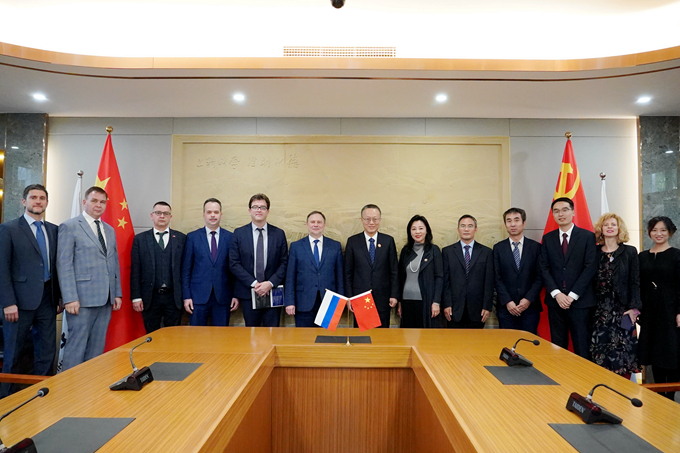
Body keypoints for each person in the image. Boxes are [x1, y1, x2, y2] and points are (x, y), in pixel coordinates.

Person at [0, 184, 61, 396]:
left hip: (47, 300)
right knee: (14, 353)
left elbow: (57, 266)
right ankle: (7, 399)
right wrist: (8, 303)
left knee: (47, 352)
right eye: (33, 197)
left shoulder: (54, 230)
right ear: (24, 201)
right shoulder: (9, 229)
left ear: (47, 202)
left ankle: (41, 397)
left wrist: (59, 297)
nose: (38, 201)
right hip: (18, 303)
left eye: (42, 198)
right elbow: (2, 269)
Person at [57, 186, 122, 371]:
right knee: (76, 348)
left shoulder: (109, 230)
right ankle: (68, 385)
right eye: (94, 201)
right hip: (81, 300)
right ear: (84, 202)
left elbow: (113, 262)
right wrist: (70, 298)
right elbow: (64, 264)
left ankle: (90, 385)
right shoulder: (69, 226)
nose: (98, 205)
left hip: (106, 299)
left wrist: (117, 293)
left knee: (97, 349)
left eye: (102, 202)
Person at [539, 197, 597, 358]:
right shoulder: (548, 238)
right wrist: (557, 293)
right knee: (558, 347)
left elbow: (590, 268)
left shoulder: (587, 236)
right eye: (556, 211)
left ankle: (583, 375)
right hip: (555, 302)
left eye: (565, 210)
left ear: (573, 212)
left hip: (580, 302)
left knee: (582, 346)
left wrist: (572, 296)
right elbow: (544, 268)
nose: (561, 214)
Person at [589, 213, 641, 378]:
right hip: (599, 311)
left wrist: (634, 309)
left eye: (613, 224)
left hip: (623, 310)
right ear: (601, 229)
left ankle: (623, 391)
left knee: (623, 355)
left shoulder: (629, 252)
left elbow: (635, 281)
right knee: (600, 355)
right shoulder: (594, 252)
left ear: (619, 228)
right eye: (606, 225)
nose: (610, 227)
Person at [229, 193, 288, 327]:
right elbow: (234, 263)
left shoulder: (279, 234)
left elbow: (284, 263)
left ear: (268, 211)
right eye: (255, 207)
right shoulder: (239, 233)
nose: (259, 210)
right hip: (249, 292)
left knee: (273, 332)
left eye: (262, 207)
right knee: (252, 332)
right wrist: (255, 284)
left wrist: (270, 283)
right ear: (249, 210)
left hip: (273, 291)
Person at [638, 216, 680, 400]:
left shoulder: (676, 255)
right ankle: (659, 396)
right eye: (654, 230)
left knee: (670, 353)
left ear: (670, 232)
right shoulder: (642, 256)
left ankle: (671, 396)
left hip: (670, 311)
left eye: (663, 230)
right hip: (649, 312)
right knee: (654, 353)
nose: (658, 234)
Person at [130, 201, 187, 333]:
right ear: (152, 216)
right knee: (151, 335)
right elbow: (135, 270)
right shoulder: (140, 239)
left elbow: (186, 269)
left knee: (173, 335)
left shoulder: (181, 238)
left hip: (174, 297)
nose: (162, 216)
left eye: (166, 213)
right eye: (158, 213)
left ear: (170, 217)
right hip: (150, 297)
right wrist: (136, 297)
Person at [182, 198, 238, 326]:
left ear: (221, 214)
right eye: (209, 212)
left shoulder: (230, 237)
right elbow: (186, 270)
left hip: (223, 297)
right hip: (197, 298)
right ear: (204, 214)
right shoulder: (192, 237)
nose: (213, 215)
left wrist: (235, 295)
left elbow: (234, 269)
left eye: (216, 212)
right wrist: (186, 296)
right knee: (197, 335)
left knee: (221, 335)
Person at [285, 211, 344, 327]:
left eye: (319, 222)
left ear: (324, 225)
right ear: (307, 224)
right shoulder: (296, 247)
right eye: (312, 222)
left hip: (329, 302)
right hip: (303, 302)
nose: (316, 225)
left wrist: (340, 302)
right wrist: (289, 302)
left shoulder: (335, 246)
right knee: (304, 336)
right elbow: (290, 277)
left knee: (327, 337)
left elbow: (340, 277)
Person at [344, 204, 399, 328]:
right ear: (361, 220)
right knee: (362, 334)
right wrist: (349, 297)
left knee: (382, 333)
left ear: (380, 220)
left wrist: (394, 294)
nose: (371, 222)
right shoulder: (353, 241)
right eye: (367, 219)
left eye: (375, 219)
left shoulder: (388, 241)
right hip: (360, 297)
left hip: (383, 297)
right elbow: (348, 272)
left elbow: (394, 270)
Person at [492, 207, 542, 334]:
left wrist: (528, 300)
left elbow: (540, 276)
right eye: (509, 221)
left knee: (529, 342)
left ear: (524, 223)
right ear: (505, 225)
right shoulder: (498, 248)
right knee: (507, 342)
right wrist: (508, 302)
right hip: (506, 308)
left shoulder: (536, 247)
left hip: (530, 308)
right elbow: (497, 277)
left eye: (516, 220)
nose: (513, 224)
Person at [442, 215, 494, 328]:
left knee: (476, 339)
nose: (466, 229)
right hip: (454, 309)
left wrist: (487, 306)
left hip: (478, 309)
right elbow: (445, 281)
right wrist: (446, 304)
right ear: (458, 229)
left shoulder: (487, 252)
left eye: (470, 226)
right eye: (463, 226)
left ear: (476, 229)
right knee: (454, 338)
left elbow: (489, 282)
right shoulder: (447, 252)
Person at [397, 215, 443, 328]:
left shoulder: (434, 250)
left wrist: (436, 302)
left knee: (425, 335)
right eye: (414, 229)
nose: (417, 232)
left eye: (421, 228)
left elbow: (439, 277)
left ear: (427, 230)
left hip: (426, 301)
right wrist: (399, 302)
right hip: (406, 301)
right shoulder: (405, 251)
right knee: (408, 335)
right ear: (410, 232)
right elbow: (400, 277)